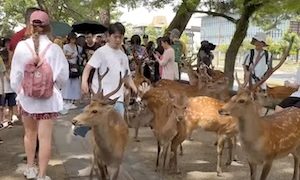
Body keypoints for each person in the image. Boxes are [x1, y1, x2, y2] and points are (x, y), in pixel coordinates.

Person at [10, 10, 69, 180]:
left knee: (29, 134)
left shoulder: (21, 47)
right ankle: (42, 175)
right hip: (48, 101)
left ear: (30, 25)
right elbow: (63, 77)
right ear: (48, 27)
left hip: (27, 99)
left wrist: (20, 94)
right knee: (45, 139)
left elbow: (15, 77)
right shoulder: (55, 48)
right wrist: (55, 86)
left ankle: (30, 168)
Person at [62, 32, 82, 110]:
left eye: (74, 39)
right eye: (71, 39)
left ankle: (72, 100)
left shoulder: (78, 47)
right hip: (68, 65)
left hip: (75, 66)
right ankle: (65, 99)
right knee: (67, 83)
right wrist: (68, 56)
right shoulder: (65, 46)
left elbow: (80, 56)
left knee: (75, 83)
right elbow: (64, 56)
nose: (72, 40)